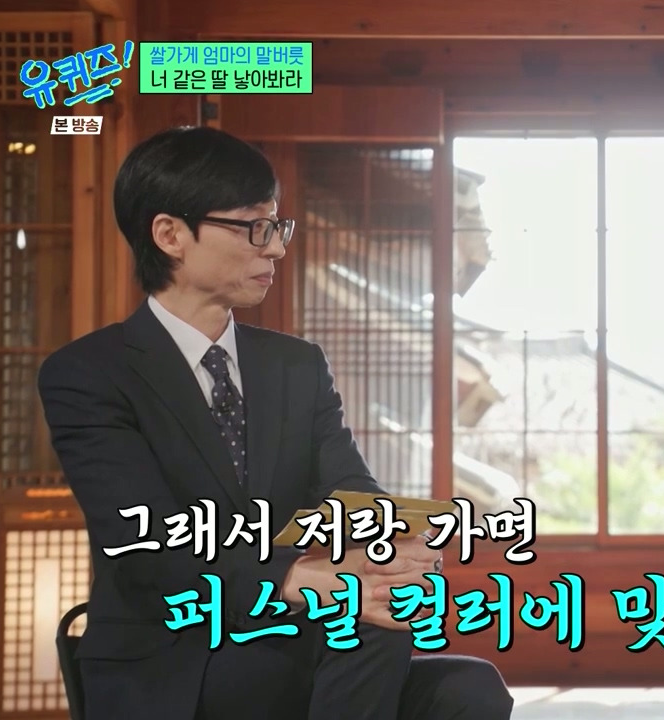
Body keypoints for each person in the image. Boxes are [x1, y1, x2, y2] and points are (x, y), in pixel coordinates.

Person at [38, 126, 514, 720]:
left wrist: (396, 546)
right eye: (253, 228)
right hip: (175, 655)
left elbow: (349, 492)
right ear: (170, 235)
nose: (276, 249)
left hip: (293, 640)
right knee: (369, 624)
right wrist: (302, 578)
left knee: (470, 687)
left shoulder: (296, 365)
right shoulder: (89, 373)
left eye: (277, 227)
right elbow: (149, 542)